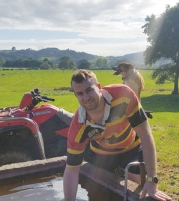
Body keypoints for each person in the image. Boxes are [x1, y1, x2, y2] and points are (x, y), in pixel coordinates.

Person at [63, 69, 171, 201]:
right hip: (101, 155)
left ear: (98, 87)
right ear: (75, 96)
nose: (86, 97)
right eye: (80, 93)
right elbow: (72, 169)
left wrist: (152, 181)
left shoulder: (123, 95)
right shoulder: (78, 126)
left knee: (141, 190)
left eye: (89, 90)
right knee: (98, 192)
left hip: (131, 147)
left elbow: (146, 135)